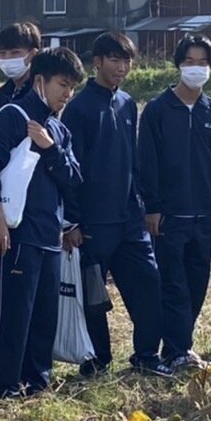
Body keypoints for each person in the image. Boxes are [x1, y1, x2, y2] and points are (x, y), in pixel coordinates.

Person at [0, 47, 83, 404]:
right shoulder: (12, 115)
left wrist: (50, 148)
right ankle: (1, 387)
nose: (67, 93)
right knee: (11, 316)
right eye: (62, 84)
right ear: (40, 80)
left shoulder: (57, 128)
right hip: (16, 233)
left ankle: (36, 383)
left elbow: (73, 179)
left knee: (42, 317)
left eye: (72, 88)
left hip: (49, 235)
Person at [61, 31, 170, 377]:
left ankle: (146, 354)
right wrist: (73, 222)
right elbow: (70, 168)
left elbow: (133, 162)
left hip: (129, 218)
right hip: (93, 222)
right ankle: (96, 360)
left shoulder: (127, 104)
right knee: (94, 294)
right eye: (114, 60)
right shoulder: (78, 108)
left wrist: (142, 203)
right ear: (97, 62)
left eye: (127, 61)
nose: (122, 67)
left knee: (148, 284)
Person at [135, 33, 211, 369]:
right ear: (178, 65)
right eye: (189, 62)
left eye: (202, 63)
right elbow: (147, 162)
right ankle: (177, 351)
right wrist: (153, 207)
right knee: (172, 283)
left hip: (204, 215)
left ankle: (178, 346)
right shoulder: (158, 110)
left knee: (195, 284)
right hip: (169, 215)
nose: (196, 69)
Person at [0, 21, 40, 109]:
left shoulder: (41, 93)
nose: (7, 58)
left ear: (32, 54)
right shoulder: (2, 94)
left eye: (15, 53)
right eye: (2, 53)